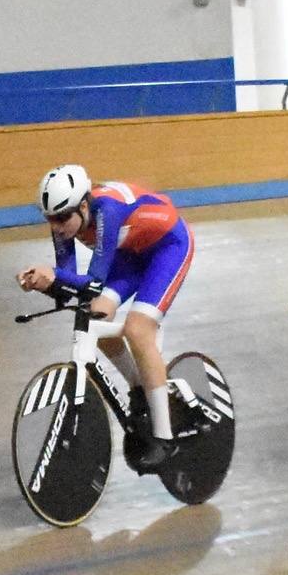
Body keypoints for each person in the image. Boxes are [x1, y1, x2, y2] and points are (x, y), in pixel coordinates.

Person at [17, 164, 195, 470]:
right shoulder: (66, 220)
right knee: (93, 315)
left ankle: (165, 438)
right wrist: (43, 284)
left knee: (138, 329)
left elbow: (93, 282)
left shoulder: (107, 211)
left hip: (168, 248)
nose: (57, 227)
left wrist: (54, 275)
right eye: (50, 219)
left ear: (84, 206)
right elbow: (70, 282)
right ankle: (140, 387)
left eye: (62, 218)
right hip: (132, 254)